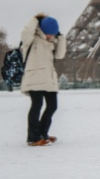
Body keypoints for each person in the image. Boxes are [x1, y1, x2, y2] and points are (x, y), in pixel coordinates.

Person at [21, 14, 66, 146]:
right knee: (37, 106)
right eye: (49, 33)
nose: (51, 36)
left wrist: (60, 37)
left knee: (53, 106)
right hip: (35, 77)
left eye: (53, 34)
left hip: (48, 78)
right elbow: (27, 32)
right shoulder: (31, 39)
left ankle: (42, 133)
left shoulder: (52, 41)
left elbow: (60, 55)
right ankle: (33, 137)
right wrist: (36, 19)